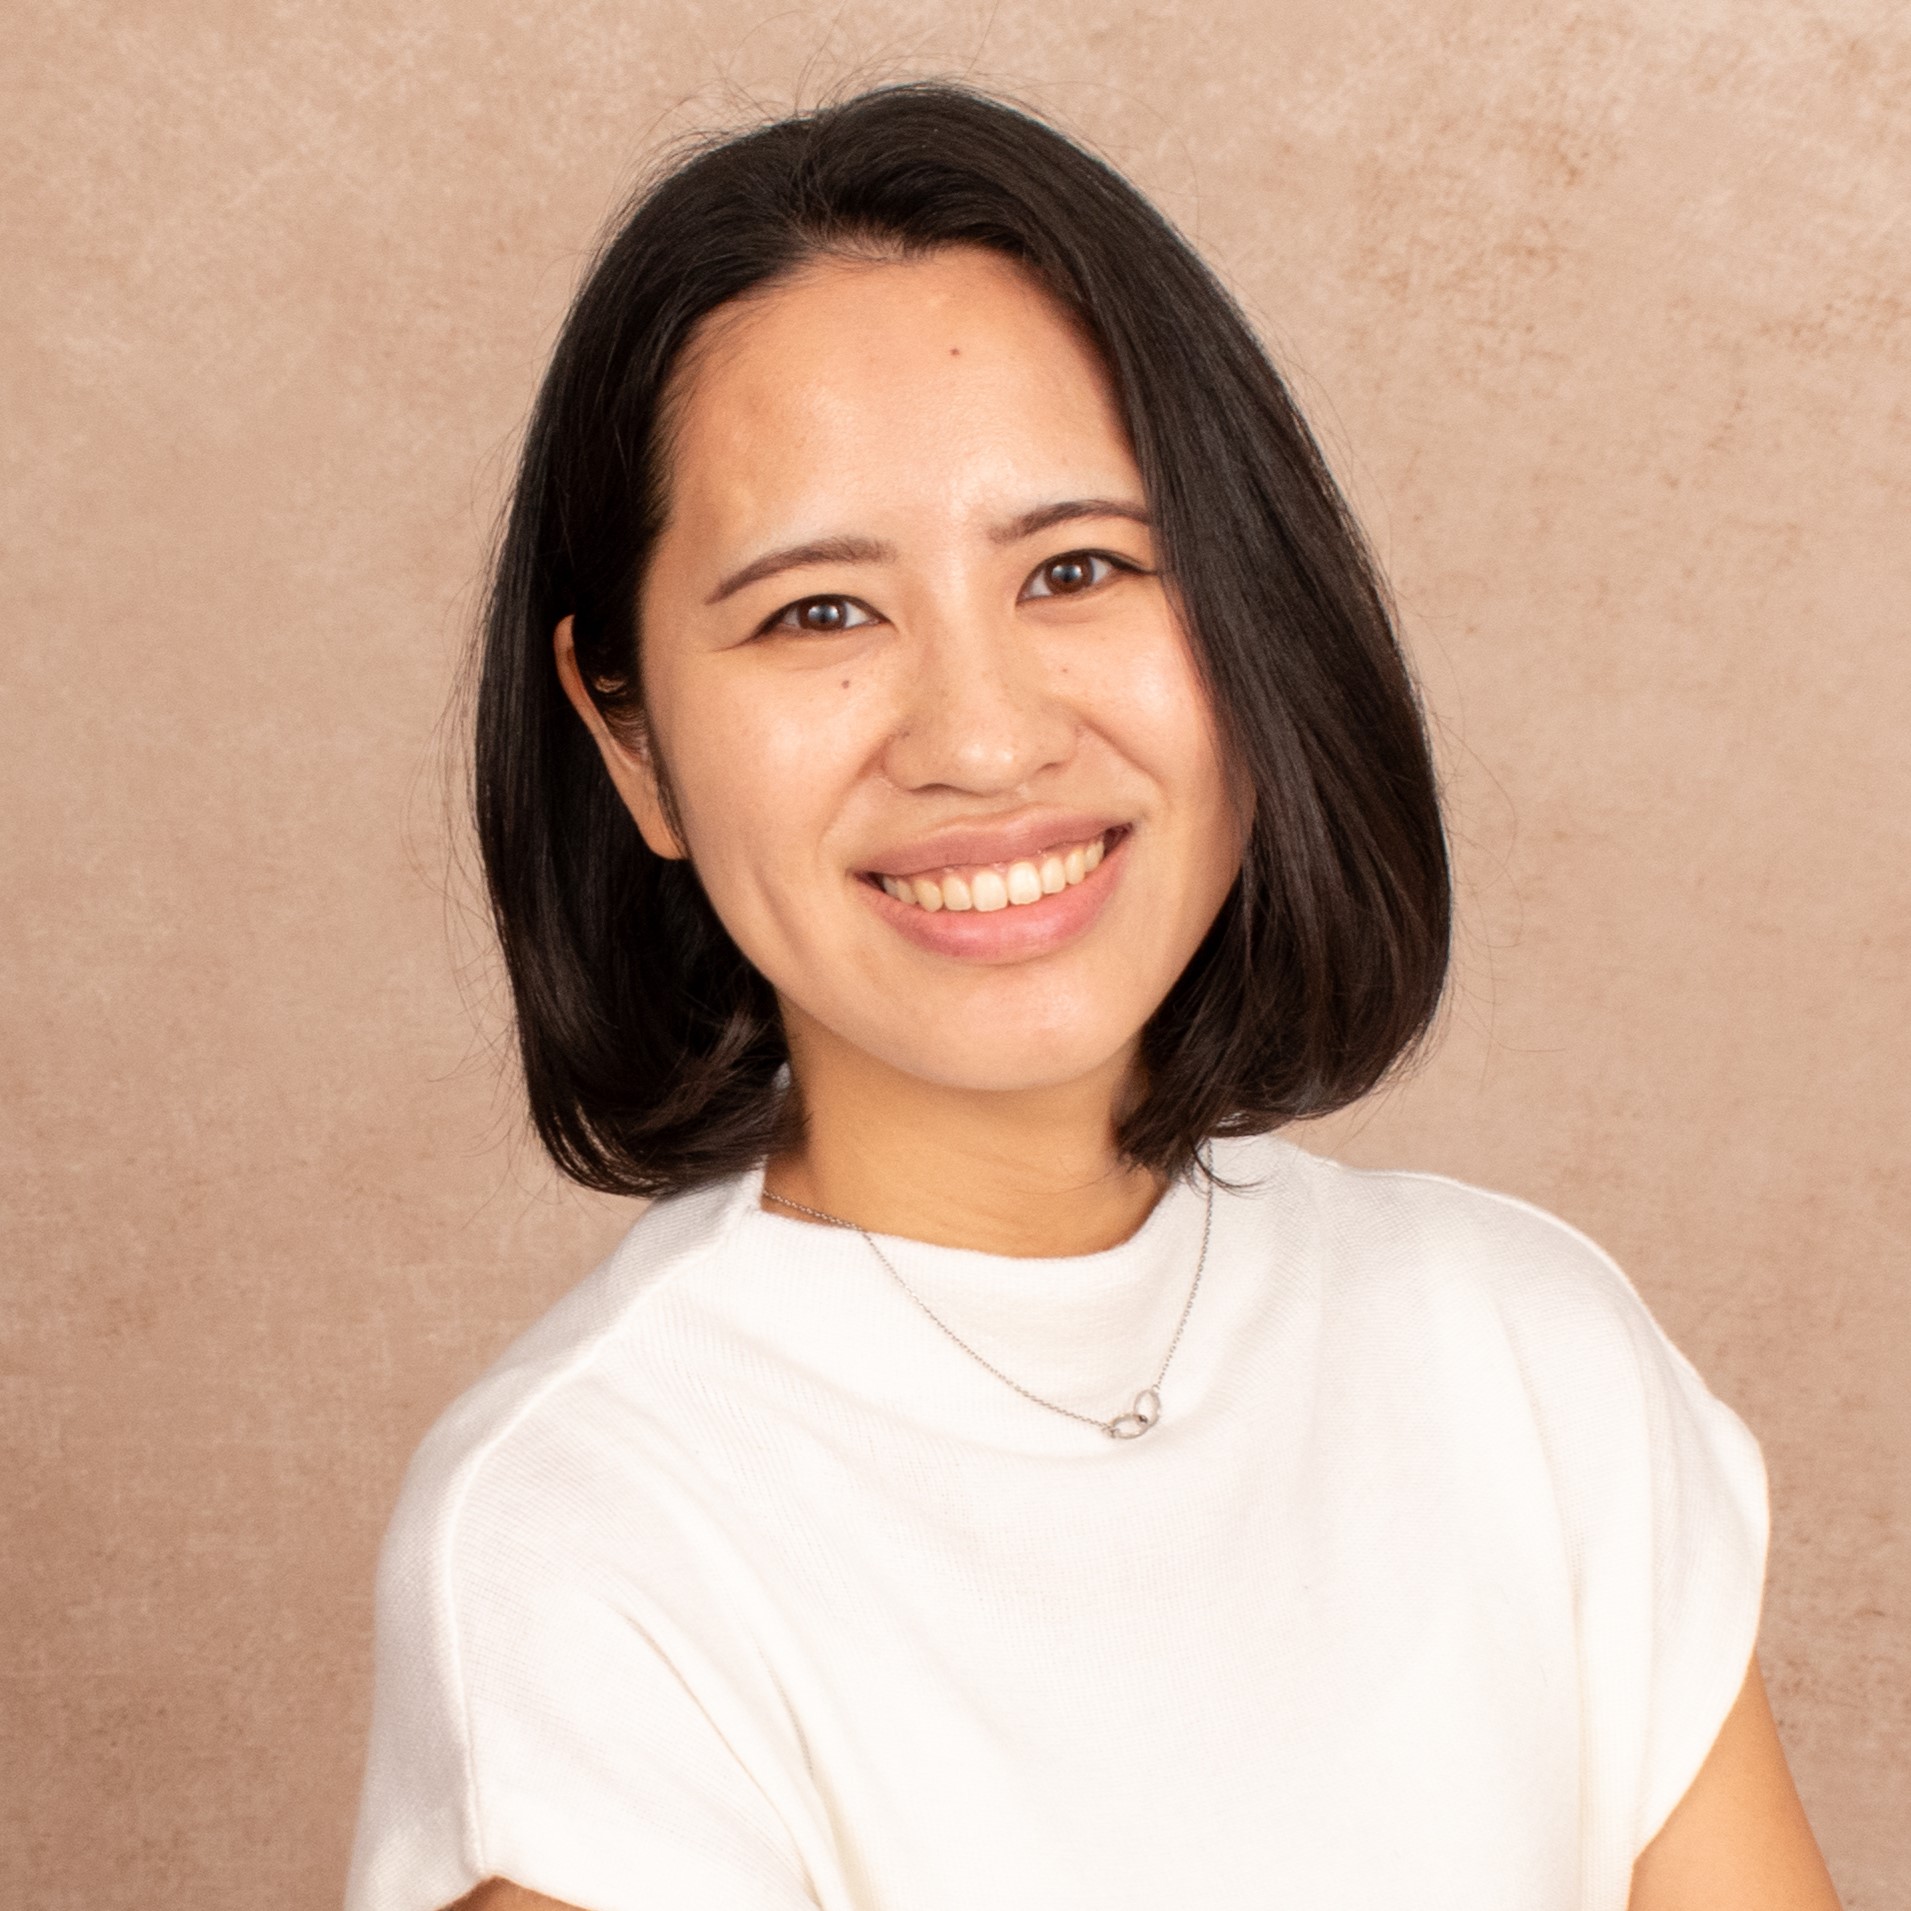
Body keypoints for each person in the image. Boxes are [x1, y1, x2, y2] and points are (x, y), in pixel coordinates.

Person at [344, 82, 1840, 1911]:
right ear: (630, 737)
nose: (983, 739)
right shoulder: (586, 1527)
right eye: (819, 611)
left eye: (1078, 569)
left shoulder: (1532, 1355)